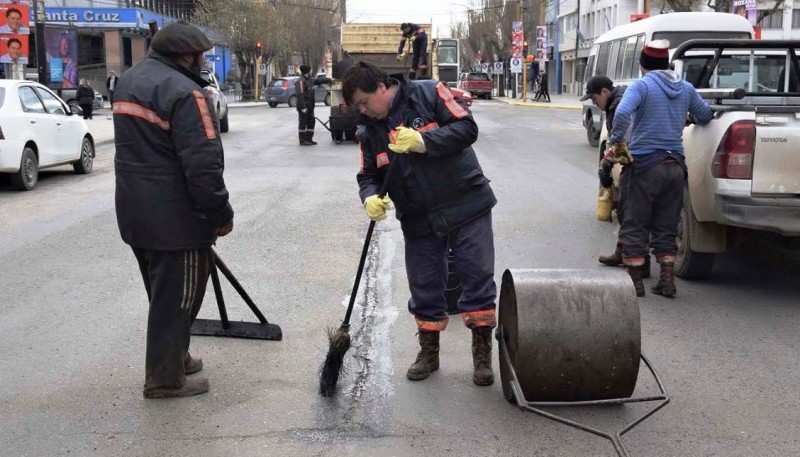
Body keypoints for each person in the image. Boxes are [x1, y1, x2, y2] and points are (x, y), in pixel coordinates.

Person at [343, 61, 498, 386]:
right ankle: (429, 353)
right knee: (425, 287)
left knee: (477, 280)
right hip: (417, 217)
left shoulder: (428, 94)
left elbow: (467, 128)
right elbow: (368, 175)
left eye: (363, 102)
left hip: (466, 204)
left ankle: (482, 356)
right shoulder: (368, 131)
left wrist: (424, 142)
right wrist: (369, 197)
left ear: (382, 88)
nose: (363, 110)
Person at [113, 20, 234, 399]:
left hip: (135, 211)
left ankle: (176, 355)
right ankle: (164, 379)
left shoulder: (130, 81)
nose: (203, 61)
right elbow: (202, 163)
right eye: (200, 54)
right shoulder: (187, 92)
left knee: (164, 291)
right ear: (185, 55)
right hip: (175, 218)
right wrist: (219, 213)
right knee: (177, 297)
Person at [607, 40, 713, 298]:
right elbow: (706, 115)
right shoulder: (686, 88)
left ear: (642, 65)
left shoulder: (642, 86)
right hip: (674, 167)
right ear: (666, 63)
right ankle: (666, 280)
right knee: (666, 226)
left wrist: (617, 141)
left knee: (635, 223)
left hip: (644, 165)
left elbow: (621, 113)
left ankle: (635, 282)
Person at [579, 75, 652, 277]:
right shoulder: (615, 104)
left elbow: (623, 140)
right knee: (624, 211)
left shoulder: (621, 106)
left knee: (631, 215)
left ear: (605, 91)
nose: (594, 103)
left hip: (637, 164)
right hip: (633, 162)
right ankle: (623, 253)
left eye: (594, 98)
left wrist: (606, 162)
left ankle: (638, 266)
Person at [294, 64, 330, 145]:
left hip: (310, 106)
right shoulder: (301, 81)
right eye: (310, 70)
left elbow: (318, 81)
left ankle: (309, 139)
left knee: (311, 122)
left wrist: (328, 80)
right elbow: (300, 95)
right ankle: (303, 140)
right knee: (303, 123)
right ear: (307, 71)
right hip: (304, 107)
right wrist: (303, 107)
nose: (311, 71)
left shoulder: (309, 79)